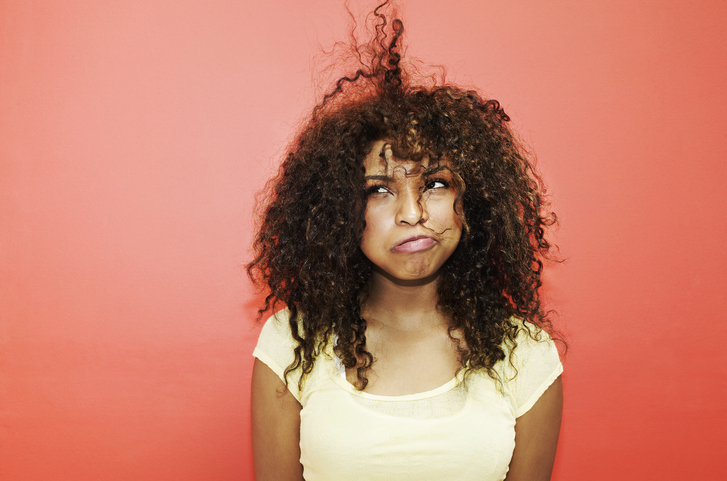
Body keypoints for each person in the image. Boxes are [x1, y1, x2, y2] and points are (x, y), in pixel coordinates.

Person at [248, 3, 564, 480]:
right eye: (379, 190)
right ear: (338, 212)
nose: (413, 213)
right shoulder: (292, 343)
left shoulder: (526, 354)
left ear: (472, 199)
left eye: (435, 184)